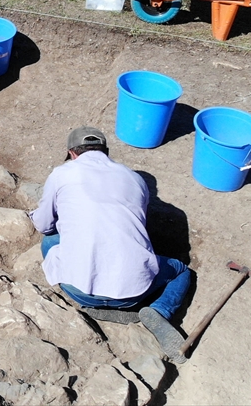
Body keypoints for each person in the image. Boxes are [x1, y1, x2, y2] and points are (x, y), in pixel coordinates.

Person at [30, 126, 192, 363]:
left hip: (79, 291)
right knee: (181, 270)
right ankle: (159, 310)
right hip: (135, 292)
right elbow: (139, 226)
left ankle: (101, 305)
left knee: (50, 241)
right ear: (105, 151)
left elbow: (44, 225)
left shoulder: (61, 174)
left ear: (72, 153)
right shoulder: (135, 179)